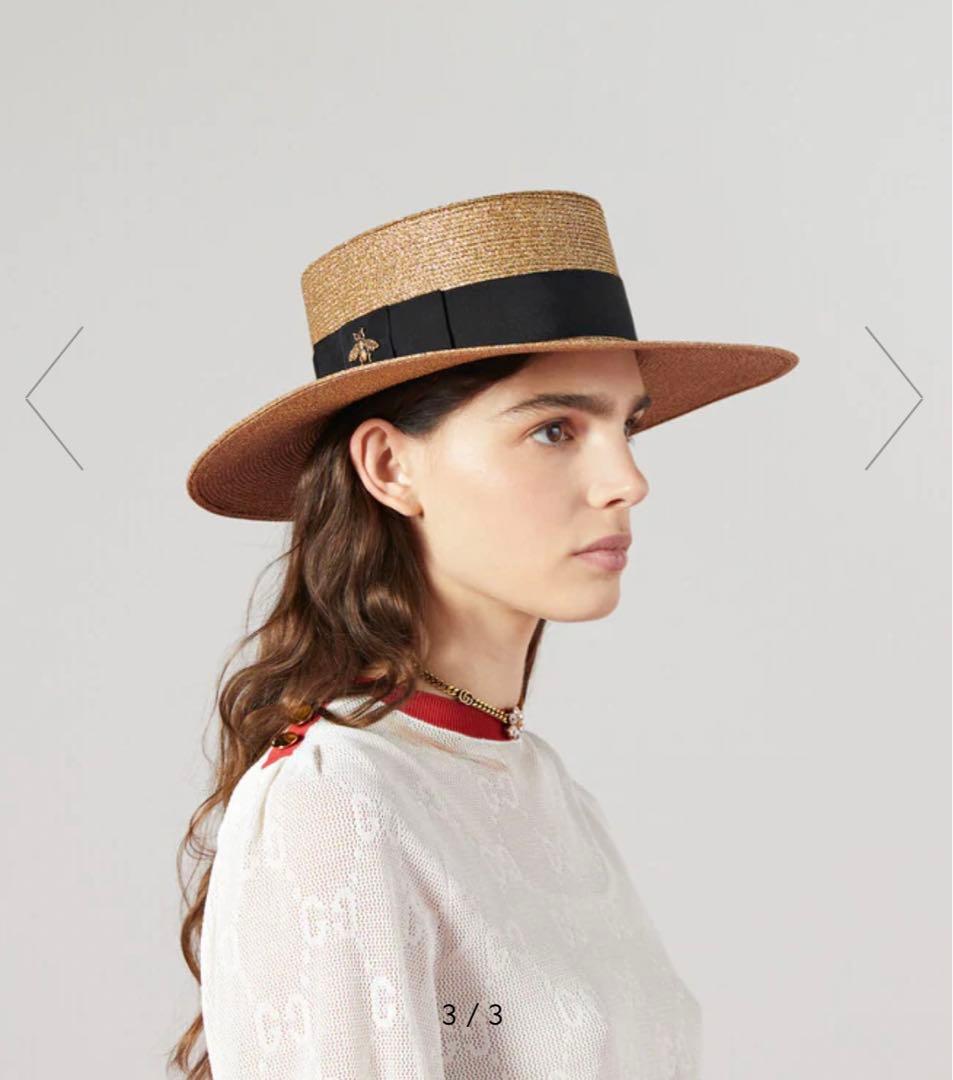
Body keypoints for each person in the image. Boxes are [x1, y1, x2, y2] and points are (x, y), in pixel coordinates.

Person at [169, 189, 798, 1079]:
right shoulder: (337, 802)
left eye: (627, 425)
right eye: (554, 429)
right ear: (390, 465)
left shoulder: (541, 789)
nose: (627, 479)